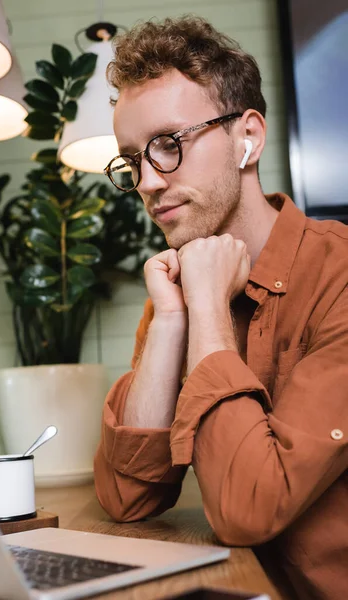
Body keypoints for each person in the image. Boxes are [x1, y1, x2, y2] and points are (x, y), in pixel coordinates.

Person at [93, 16, 348, 600]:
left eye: (168, 145)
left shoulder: (339, 276)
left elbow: (248, 510)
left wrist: (205, 307)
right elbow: (128, 499)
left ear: (248, 138)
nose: (148, 183)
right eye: (132, 161)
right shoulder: (179, 290)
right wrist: (173, 321)